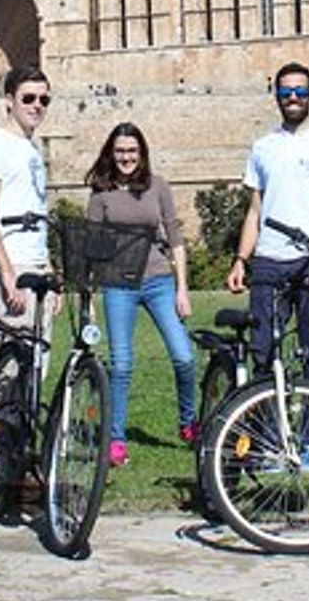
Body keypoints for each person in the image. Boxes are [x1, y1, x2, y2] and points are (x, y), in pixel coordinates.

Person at [227, 61, 309, 466]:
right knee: (264, 353)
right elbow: (255, 210)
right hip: (269, 260)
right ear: (277, 97)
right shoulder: (263, 147)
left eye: (300, 91)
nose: (294, 98)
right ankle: (269, 441)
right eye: (286, 93)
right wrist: (241, 259)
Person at [86, 123, 197, 467]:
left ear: (142, 153)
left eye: (132, 151)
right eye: (120, 151)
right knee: (121, 364)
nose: (126, 158)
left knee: (184, 356)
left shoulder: (157, 186)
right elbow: (92, 245)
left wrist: (182, 288)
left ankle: (188, 421)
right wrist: (88, 298)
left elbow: (175, 237)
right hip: (118, 284)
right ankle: (116, 439)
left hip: (159, 280)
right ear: (111, 153)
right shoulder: (100, 193)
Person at [0, 65, 53, 339]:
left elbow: (36, 210)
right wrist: (7, 272)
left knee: (35, 370)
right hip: (8, 265)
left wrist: (48, 268)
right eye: (28, 98)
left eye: (44, 99)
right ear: (9, 100)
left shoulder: (33, 149)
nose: (37, 106)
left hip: (35, 265)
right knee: (12, 371)